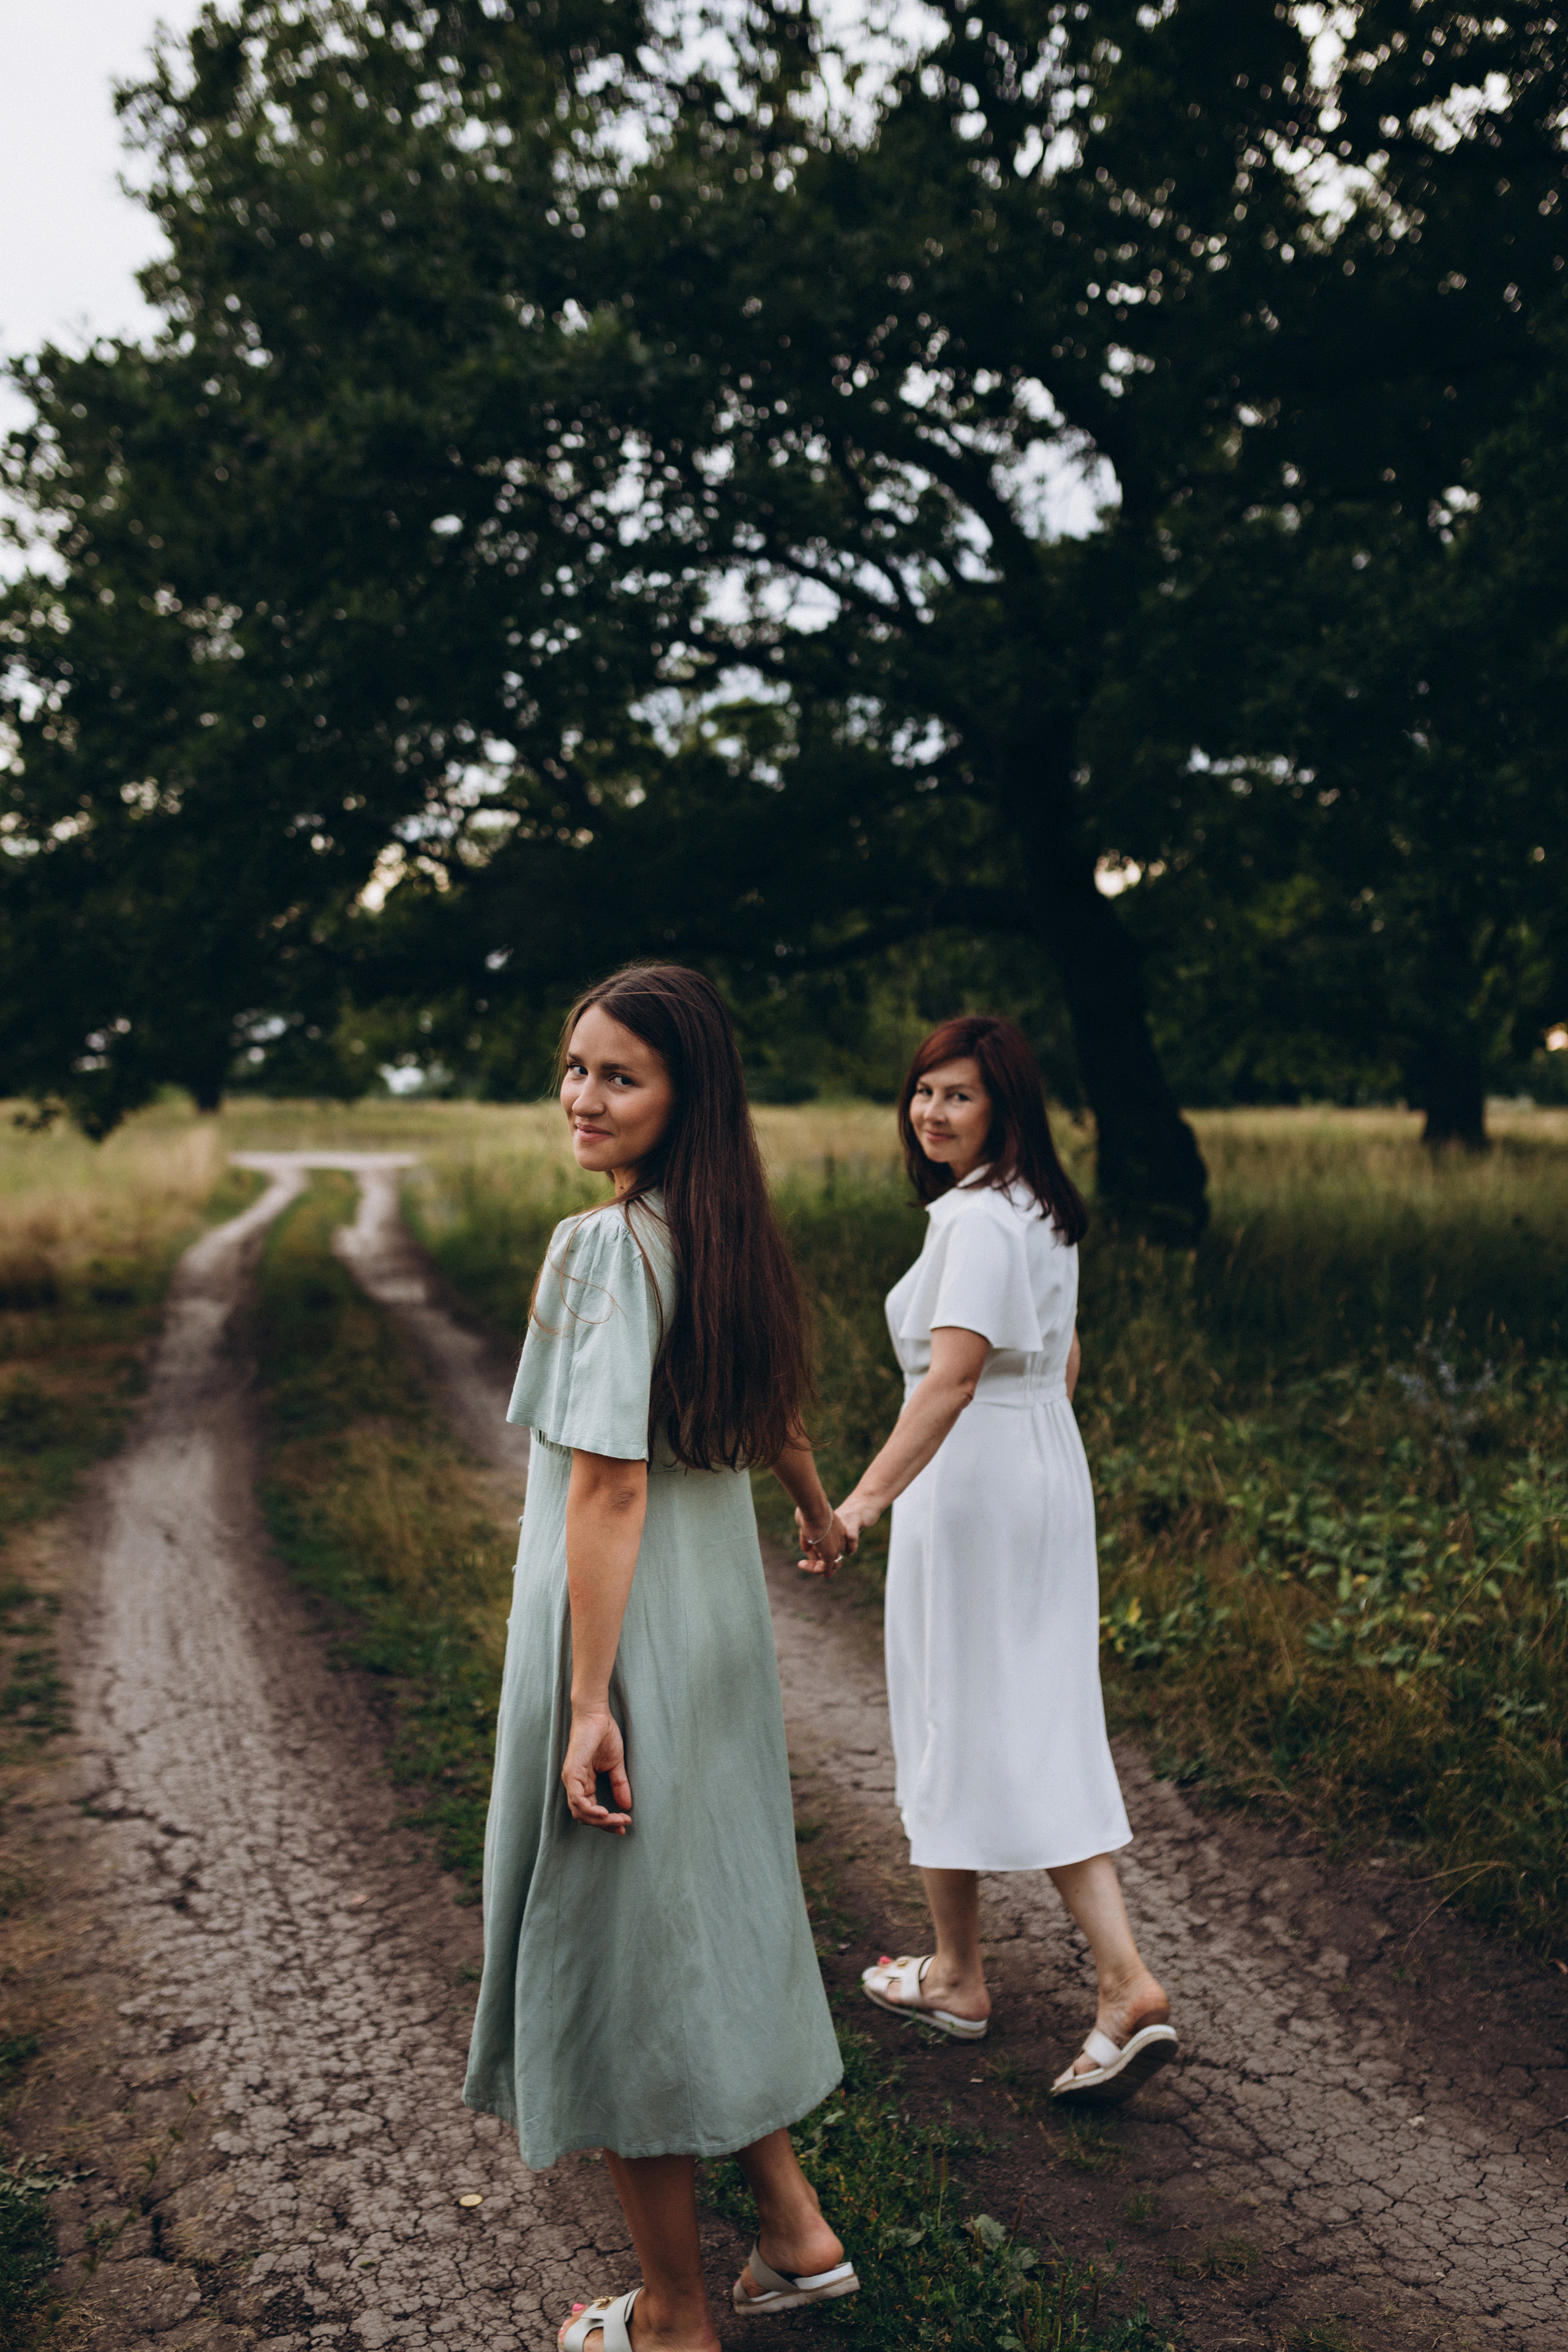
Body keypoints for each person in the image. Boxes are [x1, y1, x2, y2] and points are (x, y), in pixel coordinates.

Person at [463, 964, 859, 2352]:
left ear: (685, 1097)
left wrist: (586, 1701)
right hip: (717, 1638)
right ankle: (795, 2236)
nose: (582, 1097)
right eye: (575, 1068)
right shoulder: (727, 1237)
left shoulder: (601, 1249)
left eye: (619, 1076)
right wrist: (815, 1508)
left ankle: (674, 2315)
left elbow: (608, 1486)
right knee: (699, 1925)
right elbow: (777, 1412)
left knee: (625, 1964)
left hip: (624, 1646)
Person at [829, 1014, 1177, 2105]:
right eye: (924, 1091)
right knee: (1030, 1709)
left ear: (1005, 1106)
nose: (932, 1112)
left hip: (973, 1480)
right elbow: (1061, 1362)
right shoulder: (1039, 1209)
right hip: (1042, 1471)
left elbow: (952, 1377)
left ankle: (1024, 1979)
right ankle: (975, 1973)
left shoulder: (978, 1218)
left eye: (960, 1095)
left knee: (954, 1709)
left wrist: (863, 1502)